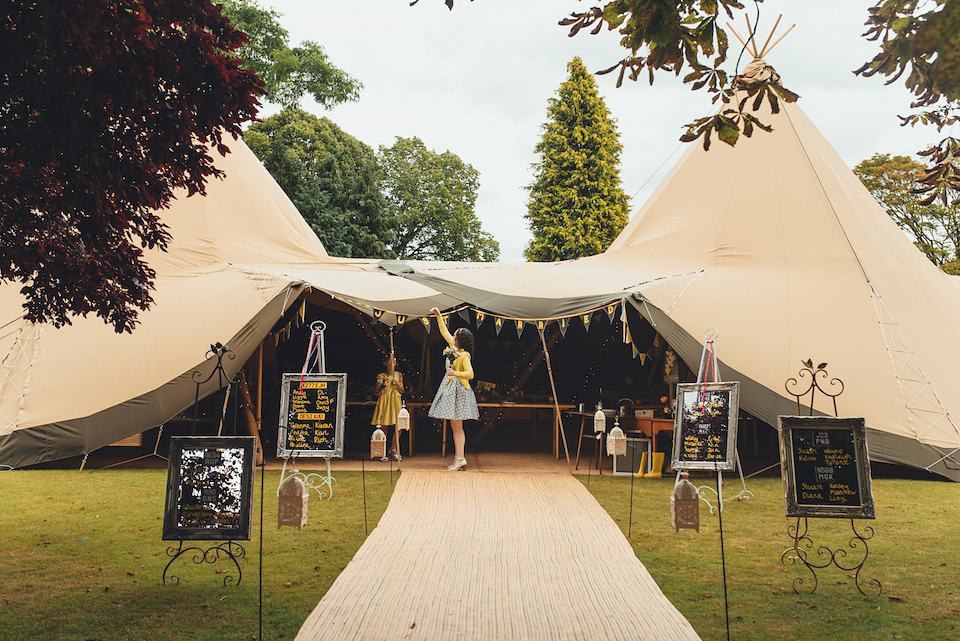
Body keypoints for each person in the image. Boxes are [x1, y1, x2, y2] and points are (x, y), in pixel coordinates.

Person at [427, 306, 478, 471]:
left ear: (459, 339)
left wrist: (454, 373)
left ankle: (460, 457)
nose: (452, 336)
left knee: (457, 426)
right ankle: (458, 457)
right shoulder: (454, 349)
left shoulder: (463, 355)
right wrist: (438, 315)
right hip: (451, 390)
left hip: (459, 392)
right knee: (455, 426)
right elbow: (444, 331)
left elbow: (470, 374)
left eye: (455, 335)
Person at [371, 354, 404, 461]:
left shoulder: (399, 374)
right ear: (385, 363)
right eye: (389, 360)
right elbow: (376, 392)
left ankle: (394, 449)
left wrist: (398, 385)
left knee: (398, 425)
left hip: (395, 400)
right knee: (383, 426)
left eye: (394, 359)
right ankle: (383, 450)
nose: (392, 361)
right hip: (385, 400)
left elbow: (402, 391)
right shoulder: (381, 376)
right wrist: (379, 388)